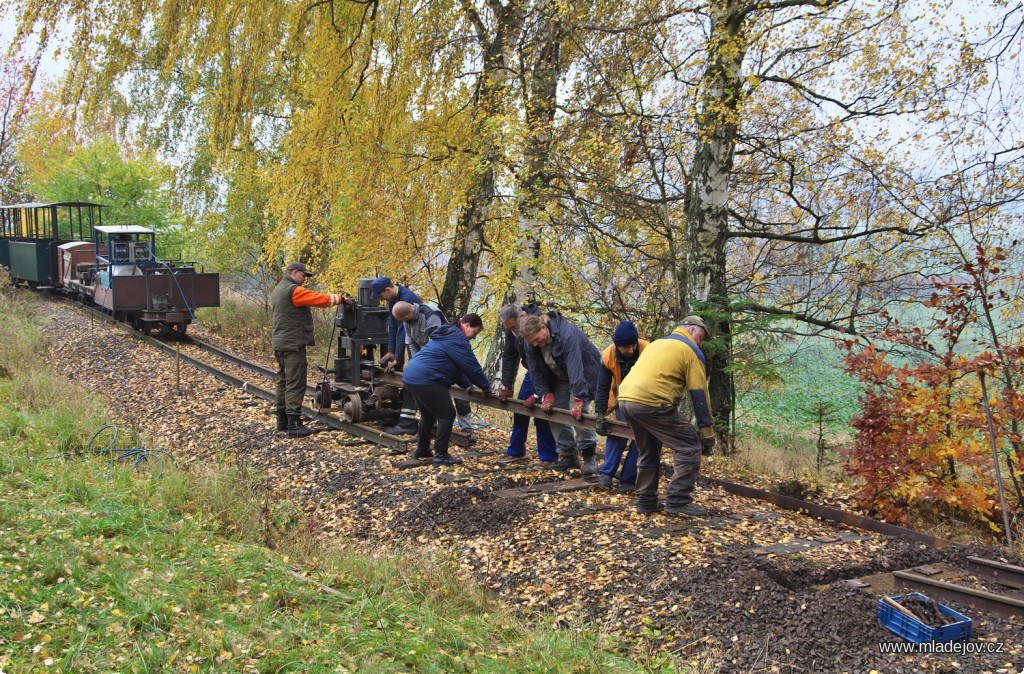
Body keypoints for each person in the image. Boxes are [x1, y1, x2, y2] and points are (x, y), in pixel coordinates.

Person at [616, 316, 716, 516]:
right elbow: (699, 394)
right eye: (701, 337)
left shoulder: (657, 344)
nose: (700, 343)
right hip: (652, 402)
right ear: (693, 329)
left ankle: (646, 501)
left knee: (648, 449)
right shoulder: (691, 351)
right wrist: (707, 433)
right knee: (689, 446)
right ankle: (678, 501)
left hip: (626, 399)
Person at [518, 312, 602, 474]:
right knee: (552, 411)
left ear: (543, 327)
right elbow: (535, 370)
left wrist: (579, 397)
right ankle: (569, 455)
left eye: (537, 339)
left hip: (585, 375)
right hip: (560, 377)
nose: (535, 344)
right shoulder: (530, 343)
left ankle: (589, 454)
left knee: (579, 414)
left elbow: (575, 366)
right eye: (532, 342)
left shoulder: (567, 335)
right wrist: (545, 393)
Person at [402, 314, 490, 466]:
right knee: (447, 415)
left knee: (428, 415)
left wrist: (467, 384)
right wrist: (486, 386)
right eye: (474, 333)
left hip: (411, 375)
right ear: (467, 325)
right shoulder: (458, 339)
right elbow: (471, 365)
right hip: (426, 378)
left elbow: (457, 365)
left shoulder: (447, 334)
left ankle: (422, 449)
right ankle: (441, 455)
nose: (473, 337)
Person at [271, 261, 346, 437]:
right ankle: (294, 425)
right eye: (304, 275)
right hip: (293, 344)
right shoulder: (294, 290)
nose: (305, 279)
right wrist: (341, 299)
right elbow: (319, 299)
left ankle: (282, 421)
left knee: (283, 381)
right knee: (295, 383)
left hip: (280, 342)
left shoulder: (278, 289)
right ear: (294, 272)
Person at [495, 303, 558, 465]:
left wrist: (539, 393)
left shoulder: (536, 324)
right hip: (532, 371)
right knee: (521, 408)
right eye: (509, 328)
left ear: (522, 316)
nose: (514, 331)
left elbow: (545, 360)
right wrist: (506, 385)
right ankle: (516, 451)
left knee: (543, 412)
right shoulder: (512, 333)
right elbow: (509, 357)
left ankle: (548, 456)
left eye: (515, 327)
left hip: (548, 371)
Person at [594, 321, 648, 492]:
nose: (630, 350)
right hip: (623, 399)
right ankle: (606, 474)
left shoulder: (648, 350)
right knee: (617, 432)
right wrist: (600, 414)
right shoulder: (608, 355)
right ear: (617, 346)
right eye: (626, 347)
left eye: (633, 346)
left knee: (642, 439)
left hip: (647, 400)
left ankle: (628, 479)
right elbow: (602, 387)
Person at [372, 276, 423, 435]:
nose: (381, 299)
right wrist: (391, 351)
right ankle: (397, 414)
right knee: (409, 378)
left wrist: (397, 359)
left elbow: (403, 331)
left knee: (413, 379)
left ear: (387, 290)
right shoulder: (392, 301)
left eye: (380, 296)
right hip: (412, 342)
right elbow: (393, 327)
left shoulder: (407, 299)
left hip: (421, 343)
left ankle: (407, 423)